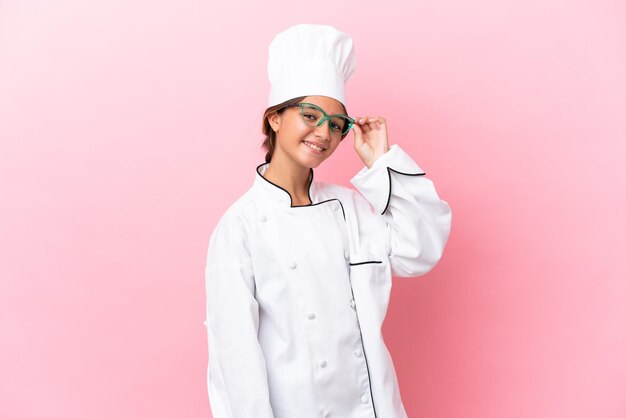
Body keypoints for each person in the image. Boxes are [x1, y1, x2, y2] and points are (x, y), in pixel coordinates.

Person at [204, 23, 452, 418]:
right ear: (274, 118)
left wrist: (382, 163)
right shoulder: (240, 228)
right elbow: (234, 363)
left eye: (336, 125)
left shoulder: (350, 209)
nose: (324, 133)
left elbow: (419, 251)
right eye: (310, 115)